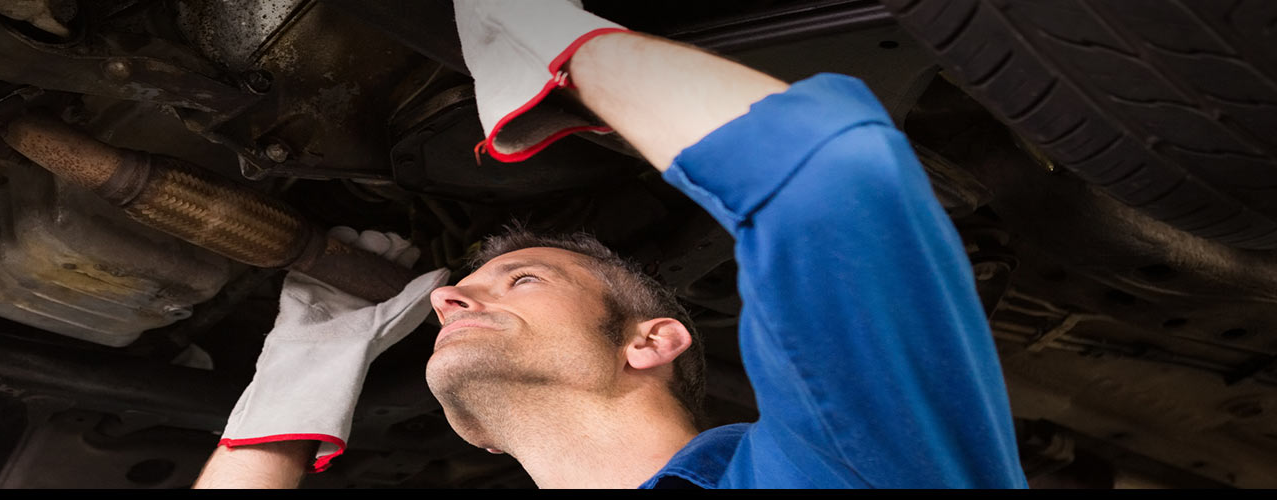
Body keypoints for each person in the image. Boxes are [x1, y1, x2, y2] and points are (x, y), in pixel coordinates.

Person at [193, 0, 1028, 489]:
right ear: (475, 434)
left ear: (651, 340)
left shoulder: (827, 471)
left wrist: (566, 53)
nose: (446, 295)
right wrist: (286, 394)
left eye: (520, 277)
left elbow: (836, 184)